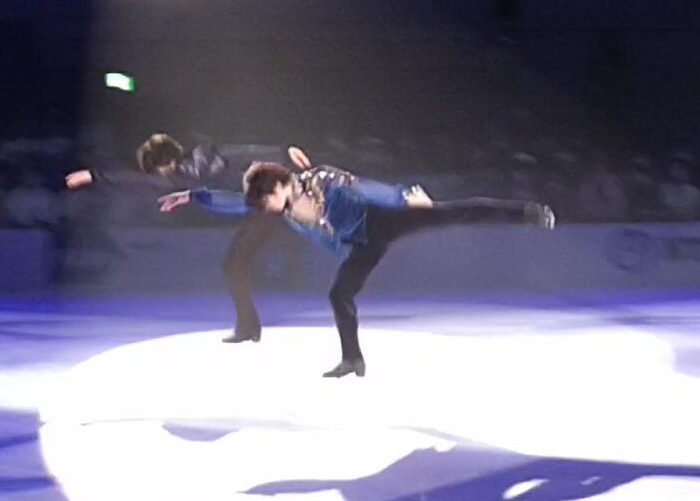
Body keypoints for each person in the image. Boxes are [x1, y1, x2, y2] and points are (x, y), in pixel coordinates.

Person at [233, 162, 555, 378]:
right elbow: (235, 203)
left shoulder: (319, 179)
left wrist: (405, 197)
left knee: (458, 212)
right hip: (364, 242)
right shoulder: (289, 212)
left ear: (278, 186)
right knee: (339, 293)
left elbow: (366, 187)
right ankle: (352, 359)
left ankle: (528, 212)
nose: (265, 209)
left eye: (265, 200)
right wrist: (193, 196)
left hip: (386, 217)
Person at [66, 133, 310, 343]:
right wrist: (283, 152)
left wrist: (94, 176)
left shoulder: (194, 164)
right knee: (233, 266)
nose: (159, 178)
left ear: (164, 162)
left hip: (269, 203)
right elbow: (236, 163)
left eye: (157, 170)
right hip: (257, 204)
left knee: (234, 265)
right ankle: (248, 327)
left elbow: (242, 154)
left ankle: (249, 327)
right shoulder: (195, 162)